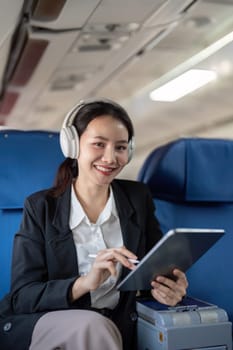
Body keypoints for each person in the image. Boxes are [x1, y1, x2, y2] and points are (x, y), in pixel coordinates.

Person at [0, 99, 188, 350]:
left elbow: (155, 268)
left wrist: (171, 288)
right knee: (91, 325)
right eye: (99, 144)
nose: (110, 158)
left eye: (120, 147)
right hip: (47, 324)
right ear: (73, 145)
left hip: (119, 326)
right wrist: (85, 283)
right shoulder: (41, 207)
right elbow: (22, 297)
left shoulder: (138, 197)